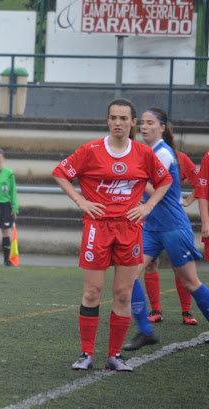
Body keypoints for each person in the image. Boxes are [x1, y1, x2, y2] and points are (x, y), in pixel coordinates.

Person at [53, 99, 172, 372]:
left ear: (132, 123)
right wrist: (80, 201)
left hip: (130, 229)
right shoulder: (91, 150)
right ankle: (86, 354)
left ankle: (114, 355)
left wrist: (148, 206)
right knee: (93, 291)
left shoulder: (143, 153)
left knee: (122, 294)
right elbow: (60, 173)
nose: (118, 122)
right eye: (113, 117)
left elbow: (164, 180)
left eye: (124, 118)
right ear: (107, 120)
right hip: (97, 228)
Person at [123, 107, 209, 351]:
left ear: (162, 128)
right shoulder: (148, 152)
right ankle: (146, 331)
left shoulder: (163, 153)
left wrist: (136, 181)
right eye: (143, 122)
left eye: (151, 123)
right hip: (152, 227)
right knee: (128, 275)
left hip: (172, 225)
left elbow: (156, 191)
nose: (145, 126)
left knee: (190, 282)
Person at [139, 148, 200, 326]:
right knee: (150, 264)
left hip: (173, 221)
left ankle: (186, 311)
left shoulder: (180, 158)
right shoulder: (144, 156)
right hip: (150, 220)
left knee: (179, 266)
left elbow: (201, 184)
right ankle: (156, 310)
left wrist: (186, 202)